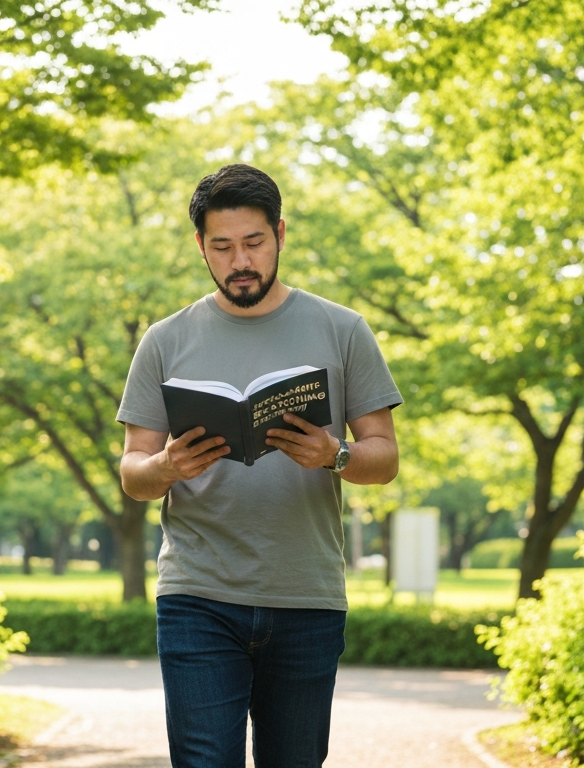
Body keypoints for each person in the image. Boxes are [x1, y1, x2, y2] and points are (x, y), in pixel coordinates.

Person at [116, 163, 403, 767]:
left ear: (280, 234)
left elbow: (384, 458)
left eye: (254, 242)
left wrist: (335, 454)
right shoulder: (165, 340)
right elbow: (133, 472)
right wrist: (167, 466)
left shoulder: (343, 330)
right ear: (201, 246)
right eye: (222, 247)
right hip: (197, 594)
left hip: (306, 595)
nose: (240, 261)